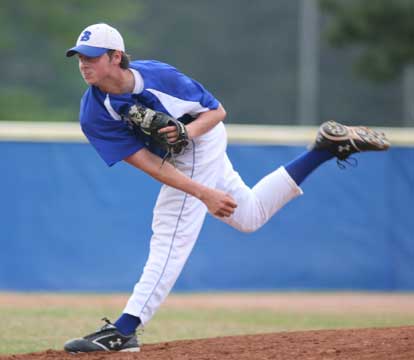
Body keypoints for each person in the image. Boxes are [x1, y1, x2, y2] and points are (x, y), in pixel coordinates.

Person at [63, 23, 390, 353]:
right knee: (249, 215)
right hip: (174, 158)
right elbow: (147, 163)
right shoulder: (93, 113)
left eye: (92, 57)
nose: (84, 64)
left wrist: (188, 137)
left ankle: (125, 329)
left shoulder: (160, 77)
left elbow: (217, 112)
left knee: (171, 231)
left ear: (116, 56)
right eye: (79, 57)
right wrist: (203, 191)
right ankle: (323, 150)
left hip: (202, 138)